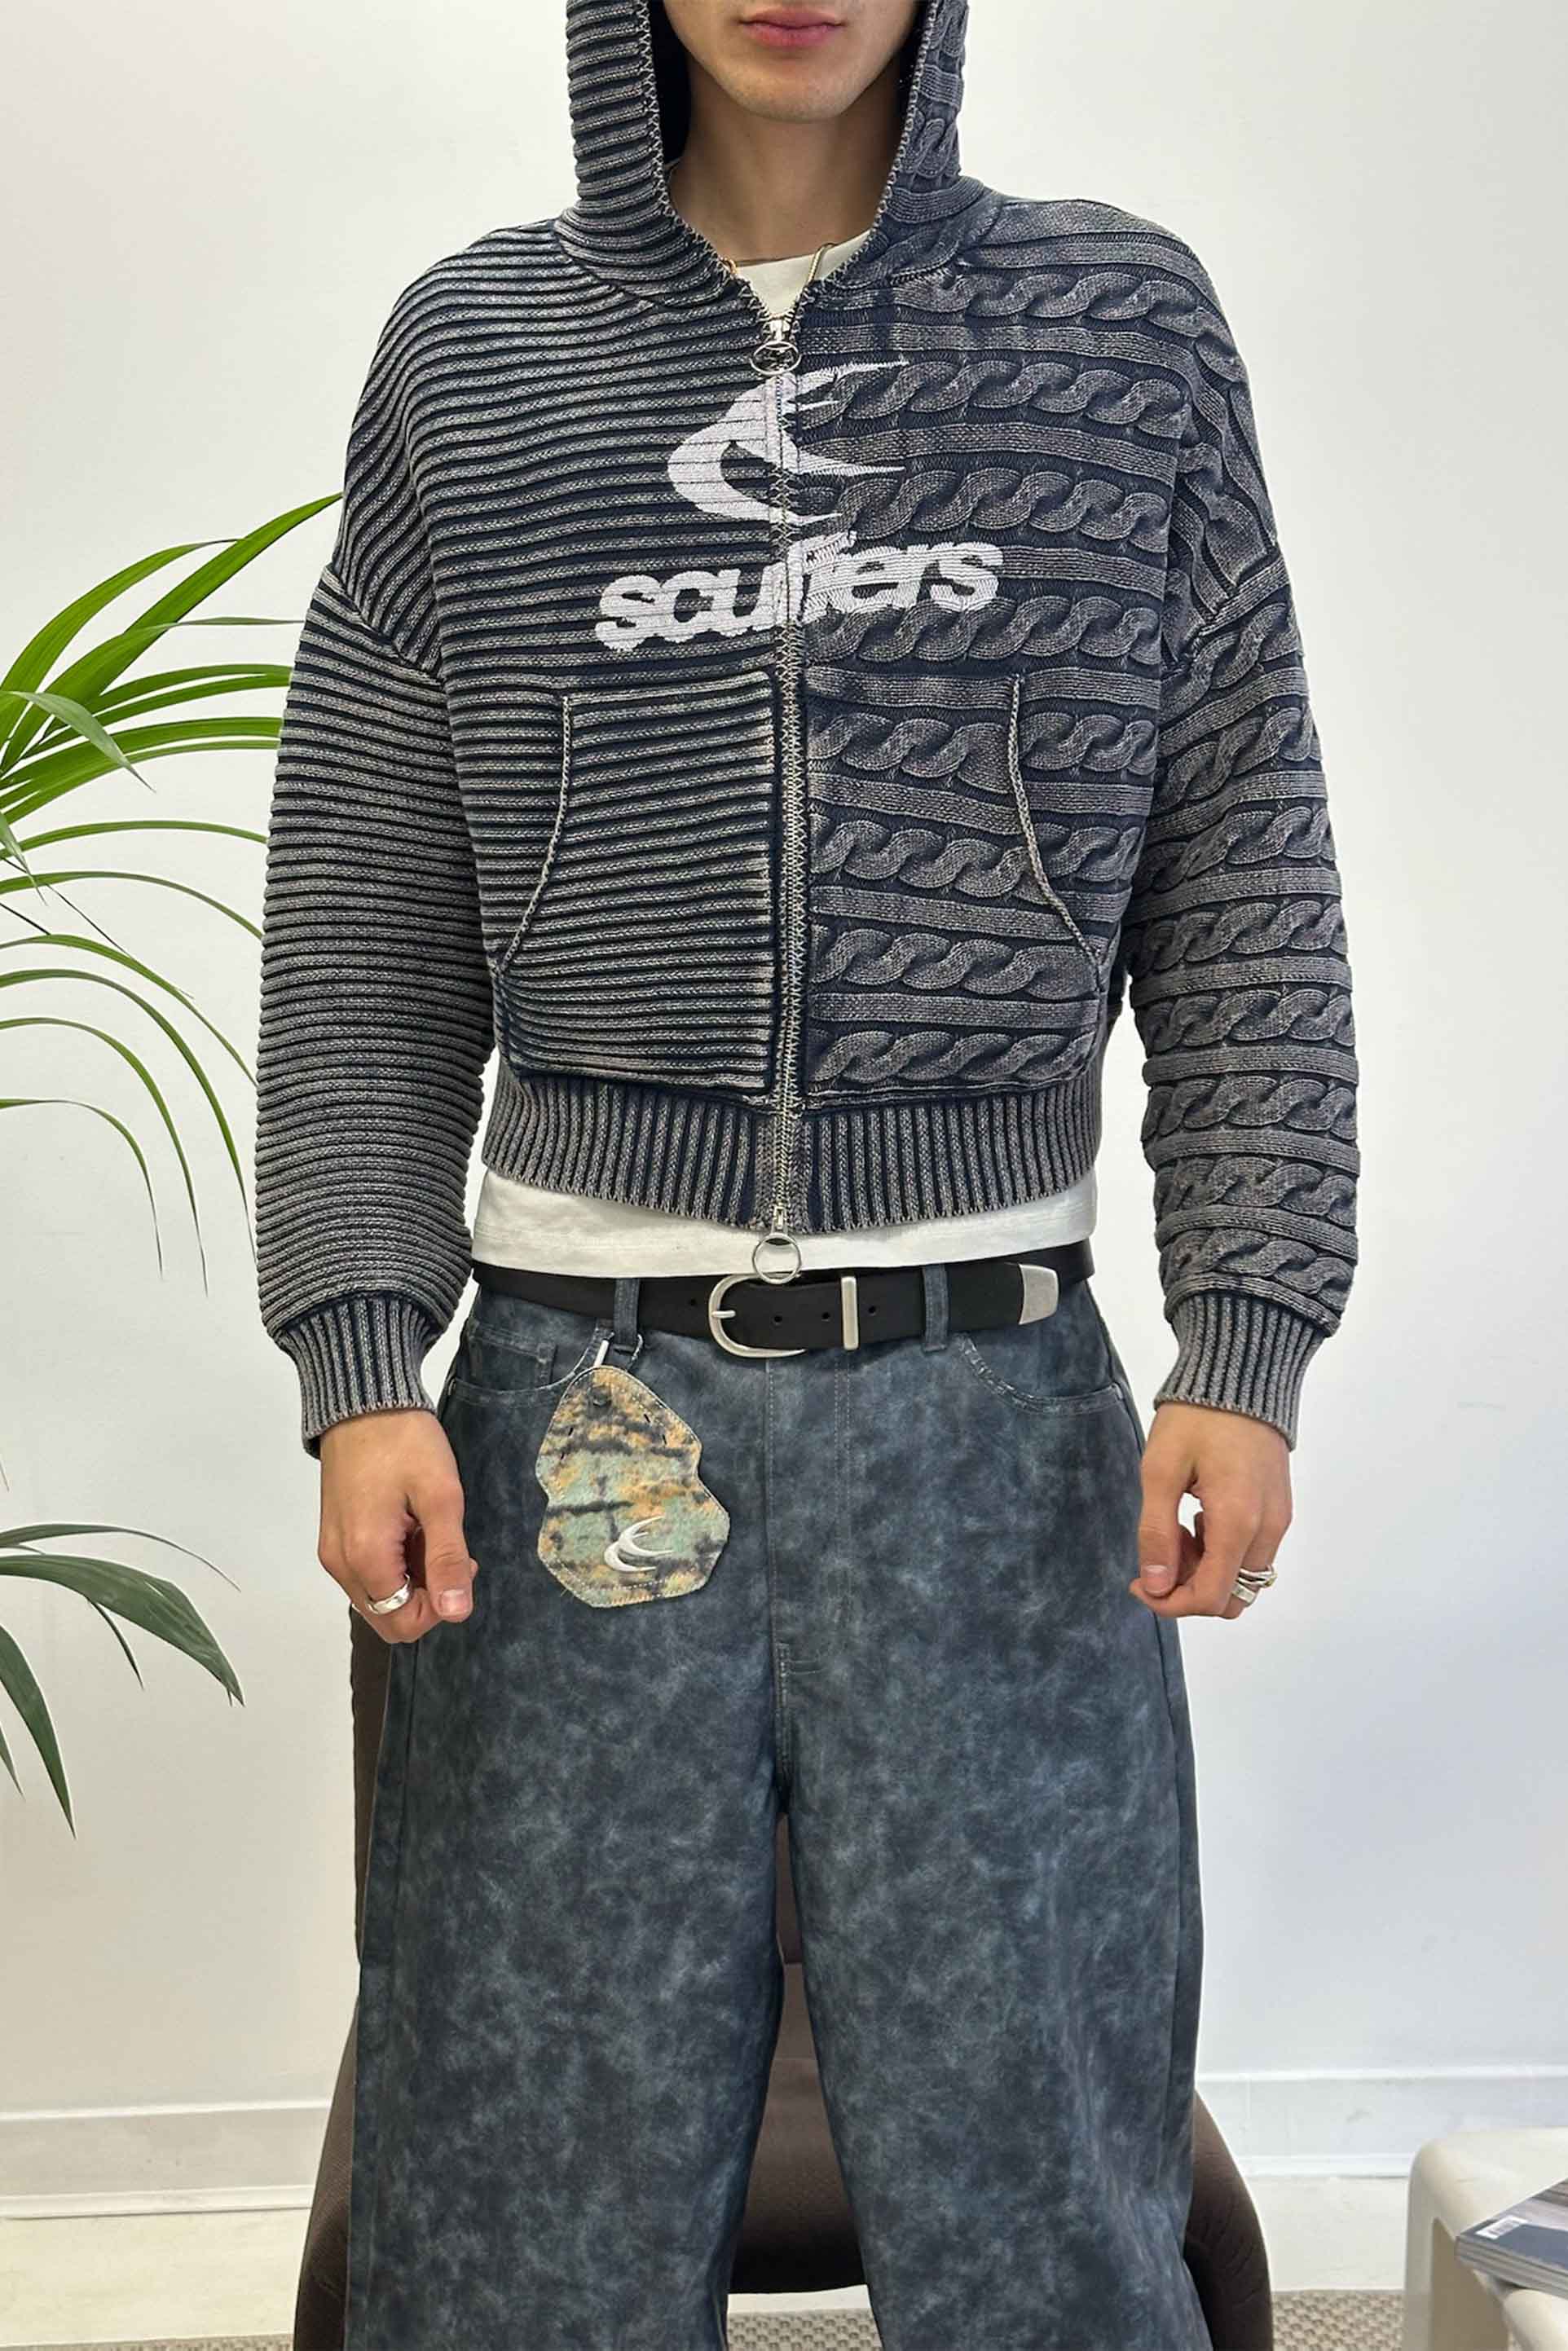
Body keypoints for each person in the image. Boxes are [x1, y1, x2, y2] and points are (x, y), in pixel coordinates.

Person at [253, 1, 1359, 2344]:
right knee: (526, 2208)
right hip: (577, 1408)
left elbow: (1243, 866)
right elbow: (366, 899)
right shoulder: (478, 358)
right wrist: (359, 1360)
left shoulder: (1121, 334)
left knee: (1044, 2202)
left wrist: (1244, 1336)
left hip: (995, 1418)